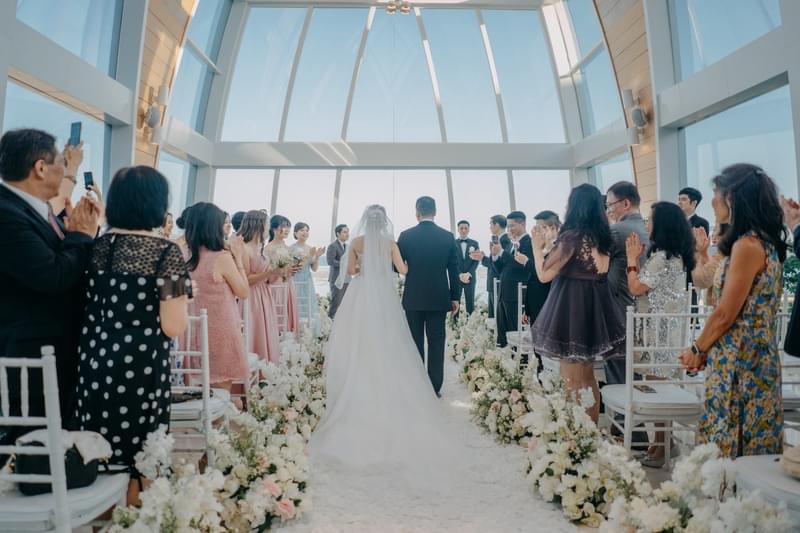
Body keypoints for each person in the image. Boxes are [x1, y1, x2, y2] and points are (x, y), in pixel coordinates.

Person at [310, 204, 460, 493]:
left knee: (360, 339)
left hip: (361, 294)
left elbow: (351, 271)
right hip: (385, 296)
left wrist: (365, 266)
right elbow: (402, 270)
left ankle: (360, 378)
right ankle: (420, 384)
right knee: (392, 339)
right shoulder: (391, 242)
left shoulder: (356, 242)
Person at [70, 166, 191, 503]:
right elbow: (173, 325)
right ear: (158, 204)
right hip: (141, 367)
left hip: (94, 364)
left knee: (99, 447)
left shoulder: (95, 248)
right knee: (142, 452)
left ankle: (102, 512)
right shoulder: (166, 253)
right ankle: (136, 512)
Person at [680, 163, 786, 458]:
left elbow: (726, 312)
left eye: (717, 192)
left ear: (732, 198)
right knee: (749, 437)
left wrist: (697, 349)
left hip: (741, 358)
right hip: (752, 353)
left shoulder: (747, 246)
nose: (713, 200)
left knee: (731, 437)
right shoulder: (764, 241)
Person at [0, 129, 99, 444]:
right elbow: (51, 275)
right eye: (62, 163)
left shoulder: (36, 210)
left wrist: (76, 233)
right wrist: (81, 236)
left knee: (52, 446)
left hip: (55, 353)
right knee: (28, 450)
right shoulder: (6, 214)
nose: (66, 170)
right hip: (30, 359)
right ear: (41, 168)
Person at [531, 184, 625, 423]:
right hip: (596, 310)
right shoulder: (603, 237)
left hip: (572, 309)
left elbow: (544, 275)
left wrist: (537, 249)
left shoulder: (572, 238)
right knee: (588, 378)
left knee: (571, 379)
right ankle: (590, 431)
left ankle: (577, 432)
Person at [624, 201, 695, 467]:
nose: (647, 224)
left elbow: (635, 288)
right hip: (666, 329)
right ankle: (662, 444)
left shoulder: (663, 258)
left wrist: (631, 260)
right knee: (659, 387)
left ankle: (663, 447)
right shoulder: (674, 256)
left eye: (651, 219)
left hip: (659, 333)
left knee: (657, 389)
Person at [397, 197, 460, 396]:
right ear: (435, 212)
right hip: (438, 298)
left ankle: (417, 386)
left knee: (414, 342)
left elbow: (395, 266)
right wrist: (455, 298)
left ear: (417, 212)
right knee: (436, 342)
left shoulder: (406, 236)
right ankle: (434, 388)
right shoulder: (447, 237)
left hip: (413, 298)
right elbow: (454, 270)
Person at [186, 202, 250, 391]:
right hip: (221, 332)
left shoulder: (186, 256)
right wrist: (238, 259)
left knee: (203, 393)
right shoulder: (221, 257)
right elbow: (243, 292)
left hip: (194, 332)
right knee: (221, 395)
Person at [604, 181, 650, 385]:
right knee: (633, 368)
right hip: (640, 305)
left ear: (625, 203)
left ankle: (623, 406)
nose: (608, 210)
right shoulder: (646, 228)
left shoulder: (617, 231)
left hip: (619, 305)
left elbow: (596, 261)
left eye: (610, 204)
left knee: (619, 369)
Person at [473, 211, 534, 347]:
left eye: (512, 226)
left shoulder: (528, 242)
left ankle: (519, 360)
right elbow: (500, 269)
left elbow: (521, 266)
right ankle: (504, 358)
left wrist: (501, 252)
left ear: (523, 224)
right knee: (503, 335)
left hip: (516, 296)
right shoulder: (512, 244)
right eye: (508, 226)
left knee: (515, 335)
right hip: (504, 294)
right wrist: (495, 255)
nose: (509, 229)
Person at [240, 210, 282, 363]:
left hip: (265, 295)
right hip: (251, 297)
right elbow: (246, 279)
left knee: (266, 330)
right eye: (267, 224)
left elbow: (269, 280)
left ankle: (266, 367)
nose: (268, 228)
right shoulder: (244, 249)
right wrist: (269, 272)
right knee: (254, 331)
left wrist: (278, 271)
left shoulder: (261, 249)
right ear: (258, 225)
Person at [265, 214, 300, 333]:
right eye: (283, 227)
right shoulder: (268, 248)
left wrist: (294, 267)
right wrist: (282, 270)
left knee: (288, 309)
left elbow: (288, 267)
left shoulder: (286, 247)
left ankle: (288, 337)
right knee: (279, 311)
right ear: (273, 228)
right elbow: (267, 270)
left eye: (288, 227)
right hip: (276, 285)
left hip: (288, 283)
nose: (287, 230)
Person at [472, 215, 510, 318]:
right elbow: (494, 262)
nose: (489, 227)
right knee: (494, 318)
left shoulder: (505, 241)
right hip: (493, 285)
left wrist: (482, 258)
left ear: (497, 225)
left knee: (497, 318)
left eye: (491, 224)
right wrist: (483, 257)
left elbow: (500, 265)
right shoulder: (498, 240)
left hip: (498, 284)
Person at [290, 222, 324, 335]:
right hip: (296, 279)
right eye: (302, 230)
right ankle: (295, 331)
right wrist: (309, 256)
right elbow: (296, 267)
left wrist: (317, 257)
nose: (305, 232)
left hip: (308, 280)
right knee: (296, 304)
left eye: (307, 230)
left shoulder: (310, 248)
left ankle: (308, 333)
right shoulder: (291, 249)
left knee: (309, 305)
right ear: (295, 233)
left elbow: (314, 269)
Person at [526, 211, 560, 325]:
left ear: (554, 228)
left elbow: (544, 277)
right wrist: (527, 308)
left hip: (551, 306)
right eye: (537, 228)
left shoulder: (561, 249)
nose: (538, 232)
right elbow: (532, 279)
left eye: (542, 228)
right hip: (535, 305)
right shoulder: (541, 249)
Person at [454, 220, 479, 315]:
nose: (463, 230)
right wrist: (460, 274)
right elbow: (452, 261)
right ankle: (455, 323)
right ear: (458, 229)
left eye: (465, 228)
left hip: (470, 277)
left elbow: (476, 261)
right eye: (461, 228)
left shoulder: (474, 243)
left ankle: (471, 322)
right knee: (455, 303)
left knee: (470, 302)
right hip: (457, 278)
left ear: (468, 229)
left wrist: (469, 273)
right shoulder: (453, 243)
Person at [326, 224, 349, 318]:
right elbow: (330, 261)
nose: (347, 234)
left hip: (346, 278)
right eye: (345, 232)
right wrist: (344, 264)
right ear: (338, 234)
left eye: (348, 232)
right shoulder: (333, 246)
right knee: (336, 302)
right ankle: (330, 320)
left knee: (345, 302)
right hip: (336, 279)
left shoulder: (347, 246)